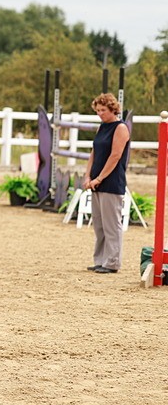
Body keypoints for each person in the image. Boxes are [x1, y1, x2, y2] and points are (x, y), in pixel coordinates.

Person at [83, 92, 130, 274]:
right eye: (97, 111)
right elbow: (93, 153)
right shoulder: (101, 127)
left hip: (111, 181)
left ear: (112, 109)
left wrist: (100, 178)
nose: (100, 113)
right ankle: (100, 259)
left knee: (112, 224)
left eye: (103, 110)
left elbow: (115, 155)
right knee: (99, 224)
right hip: (96, 181)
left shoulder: (121, 128)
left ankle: (112, 261)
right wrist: (88, 176)